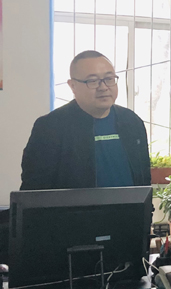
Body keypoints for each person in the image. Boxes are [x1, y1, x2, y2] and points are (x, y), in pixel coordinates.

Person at [21, 50, 150, 190]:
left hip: (129, 205)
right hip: (74, 205)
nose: (103, 87)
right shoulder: (50, 127)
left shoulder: (132, 122)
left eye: (109, 79)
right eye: (92, 81)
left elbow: (144, 181)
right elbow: (34, 192)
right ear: (73, 86)